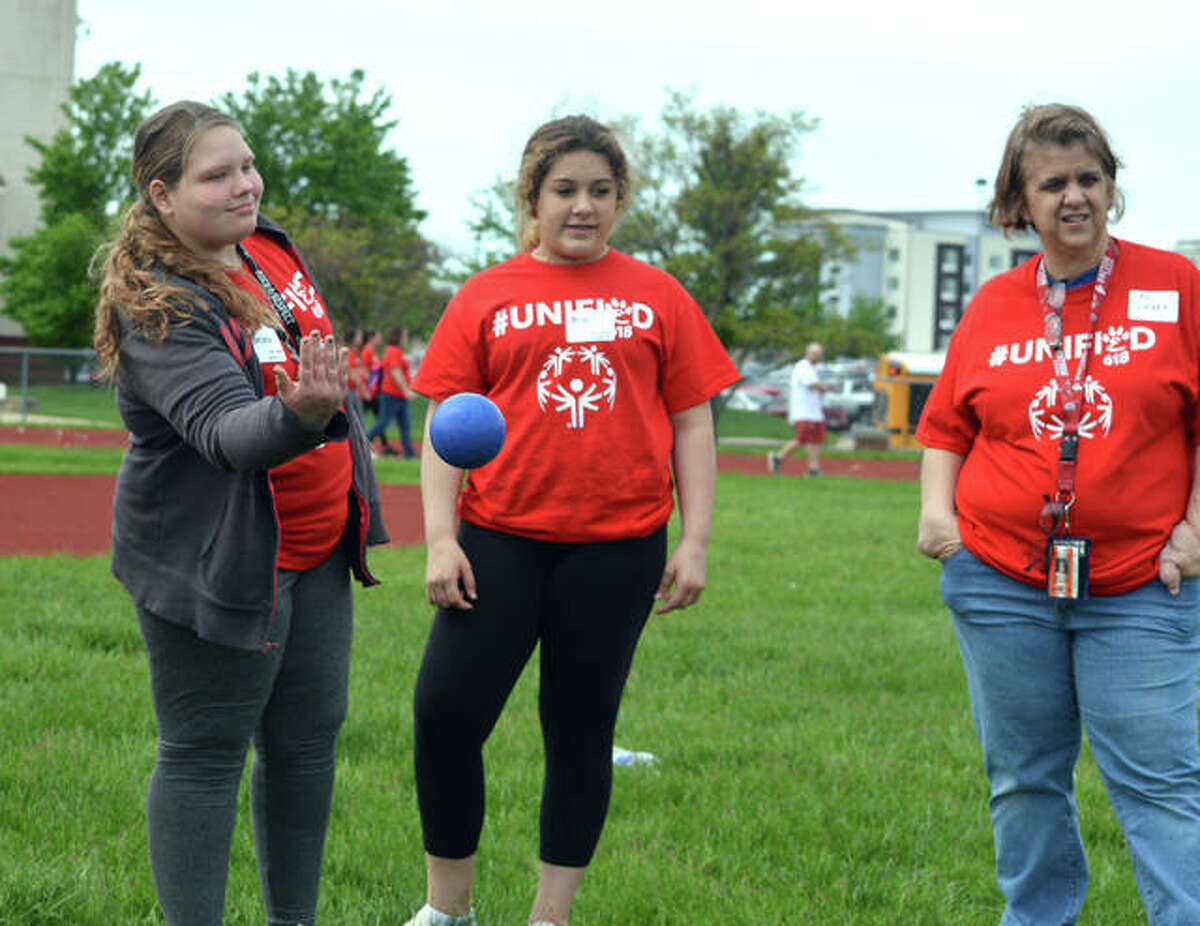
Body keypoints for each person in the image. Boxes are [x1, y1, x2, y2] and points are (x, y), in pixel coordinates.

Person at [406, 114, 739, 926]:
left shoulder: (658, 296)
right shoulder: (486, 295)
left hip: (617, 550)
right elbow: (446, 427)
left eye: (600, 190)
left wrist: (693, 541)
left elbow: (693, 422)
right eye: (564, 190)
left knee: (580, 729)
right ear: (532, 198)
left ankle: (548, 919)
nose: (582, 206)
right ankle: (448, 911)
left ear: (621, 199)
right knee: (445, 715)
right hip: (498, 542)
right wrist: (443, 537)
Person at [93, 100, 388, 926]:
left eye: (247, 165)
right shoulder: (157, 302)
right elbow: (224, 433)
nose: (243, 185)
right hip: (215, 558)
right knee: (204, 756)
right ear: (162, 194)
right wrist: (303, 410)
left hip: (318, 545)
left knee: (304, 748)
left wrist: (318, 410)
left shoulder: (267, 250)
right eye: (216, 175)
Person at [916, 103, 1200, 924]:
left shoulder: (1177, 287)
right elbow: (945, 428)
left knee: (1160, 781)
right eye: (1052, 184)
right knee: (1024, 778)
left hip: (1143, 582)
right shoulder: (996, 304)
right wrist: (941, 525)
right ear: (1020, 202)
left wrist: (1195, 530)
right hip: (1003, 579)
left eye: (1088, 178)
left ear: (1110, 187)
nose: (1073, 197)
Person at [767, 342, 834, 476]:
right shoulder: (802, 367)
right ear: (811, 353)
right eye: (818, 354)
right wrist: (825, 387)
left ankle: (813, 469)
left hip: (814, 411)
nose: (820, 357)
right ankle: (778, 457)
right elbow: (810, 385)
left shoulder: (811, 368)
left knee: (816, 440)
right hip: (804, 411)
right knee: (802, 439)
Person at [365, 325, 416, 457]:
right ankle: (363, 442)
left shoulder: (396, 351)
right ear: (398, 337)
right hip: (391, 394)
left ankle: (409, 454)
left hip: (399, 396)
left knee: (405, 425)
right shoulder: (393, 351)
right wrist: (406, 390)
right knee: (383, 422)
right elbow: (395, 371)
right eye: (404, 336)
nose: (406, 339)